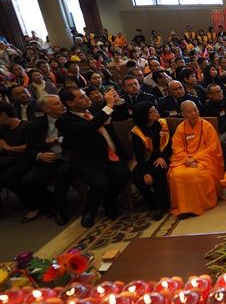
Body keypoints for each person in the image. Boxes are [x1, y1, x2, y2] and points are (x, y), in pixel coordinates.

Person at [56, 87, 130, 228]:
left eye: (85, 95)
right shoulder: (64, 121)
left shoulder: (95, 109)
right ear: (70, 103)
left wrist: (117, 101)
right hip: (87, 160)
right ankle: (90, 210)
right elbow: (88, 129)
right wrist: (108, 106)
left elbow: (122, 116)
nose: (87, 98)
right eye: (81, 97)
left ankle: (109, 203)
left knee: (122, 174)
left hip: (109, 155)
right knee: (101, 183)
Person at [21, 94, 72, 225]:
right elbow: (30, 148)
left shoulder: (70, 119)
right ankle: (52, 202)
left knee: (61, 173)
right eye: (57, 103)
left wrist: (57, 140)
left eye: (61, 102)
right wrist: (40, 155)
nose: (62, 105)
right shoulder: (36, 125)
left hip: (69, 157)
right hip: (49, 159)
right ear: (46, 109)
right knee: (28, 181)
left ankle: (59, 209)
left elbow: (75, 139)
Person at [167, 100, 223, 218]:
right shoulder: (181, 128)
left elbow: (212, 148)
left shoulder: (207, 126)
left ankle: (197, 205)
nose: (194, 113)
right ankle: (184, 207)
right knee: (176, 174)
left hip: (205, 159)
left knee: (195, 174)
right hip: (184, 159)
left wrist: (195, 159)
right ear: (183, 114)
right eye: (189, 112)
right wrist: (187, 159)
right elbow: (177, 147)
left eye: (195, 110)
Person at [131, 102, 171, 220]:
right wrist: (145, 173)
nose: (156, 112)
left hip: (163, 156)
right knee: (138, 176)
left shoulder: (162, 123)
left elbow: (169, 144)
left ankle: (161, 206)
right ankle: (151, 201)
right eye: (152, 111)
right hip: (147, 158)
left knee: (158, 172)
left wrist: (162, 157)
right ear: (144, 115)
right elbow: (139, 154)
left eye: (155, 109)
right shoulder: (136, 131)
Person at [202, 83, 226, 166]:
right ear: (210, 95)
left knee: (219, 141)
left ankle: (223, 163)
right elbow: (205, 121)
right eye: (216, 92)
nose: (220, 93)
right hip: (211, 131)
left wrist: (220, 132)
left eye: (220, 91)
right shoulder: (206, 106)